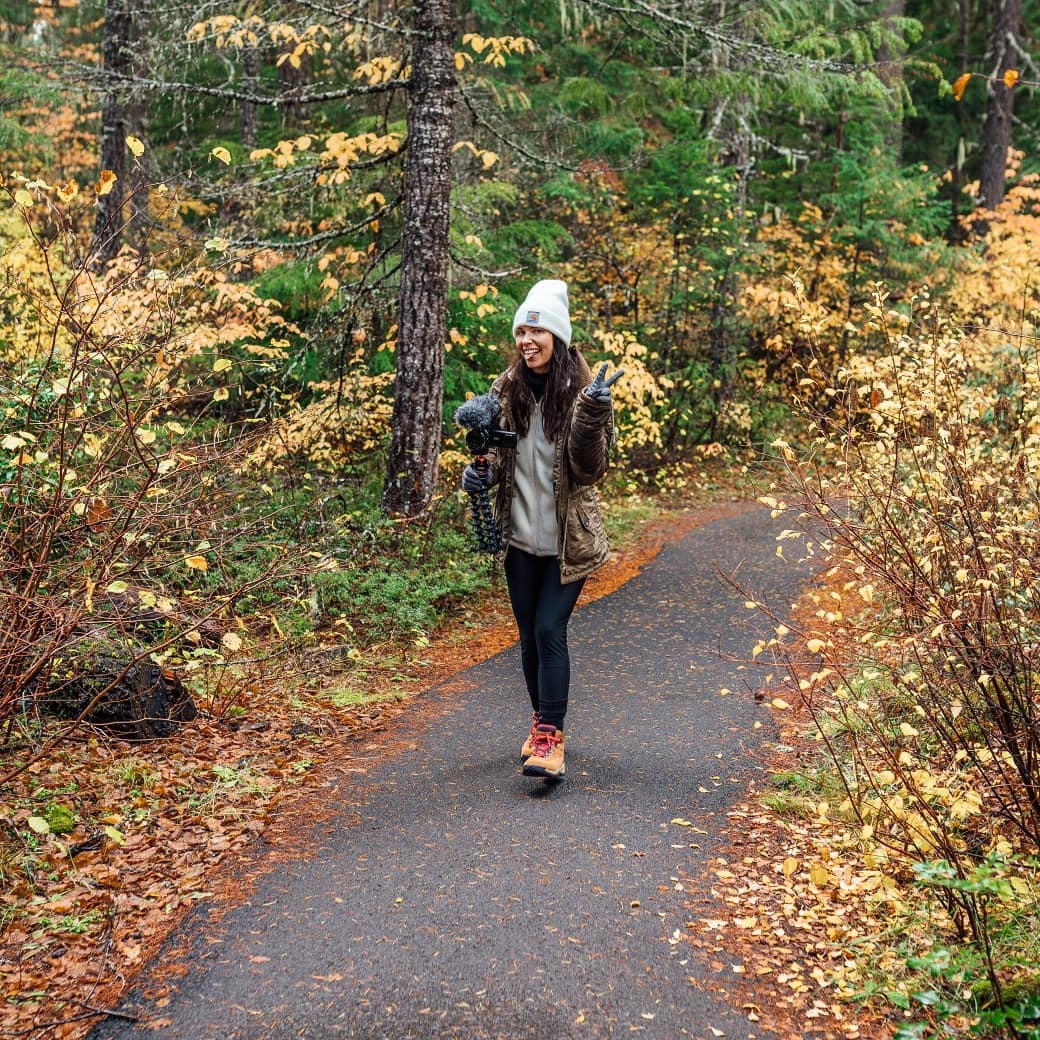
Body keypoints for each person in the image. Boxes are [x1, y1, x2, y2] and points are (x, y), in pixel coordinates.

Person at [461, 278, 622, 779]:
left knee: (550, 629)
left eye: (537, 331)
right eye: (521, 332)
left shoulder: (583, 394)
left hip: (565, 543)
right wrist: (476, 474)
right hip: (518, 541)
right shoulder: (503, 390)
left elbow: (590, 470)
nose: (527, 340)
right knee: (529, 638)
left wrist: (593, 415)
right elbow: (496, 461)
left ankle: (550, 736)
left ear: (558, 336)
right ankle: (541, 726)